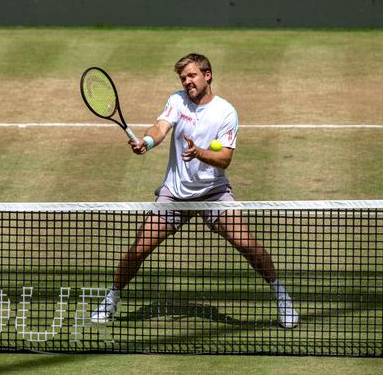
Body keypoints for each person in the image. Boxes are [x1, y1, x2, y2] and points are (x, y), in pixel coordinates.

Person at [90, 53, 298, 329]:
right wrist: (148, 141)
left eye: (192, 75)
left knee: (247, 244)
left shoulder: (226, 112)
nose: (187, 81)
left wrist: (199, 152)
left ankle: (281, 296)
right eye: (183, 78)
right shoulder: (177, 101)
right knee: (139, 249)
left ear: (207, 75)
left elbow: (224, 158)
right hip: (175, 194)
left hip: (213, 193)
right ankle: (111, 298)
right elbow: (161, 127)